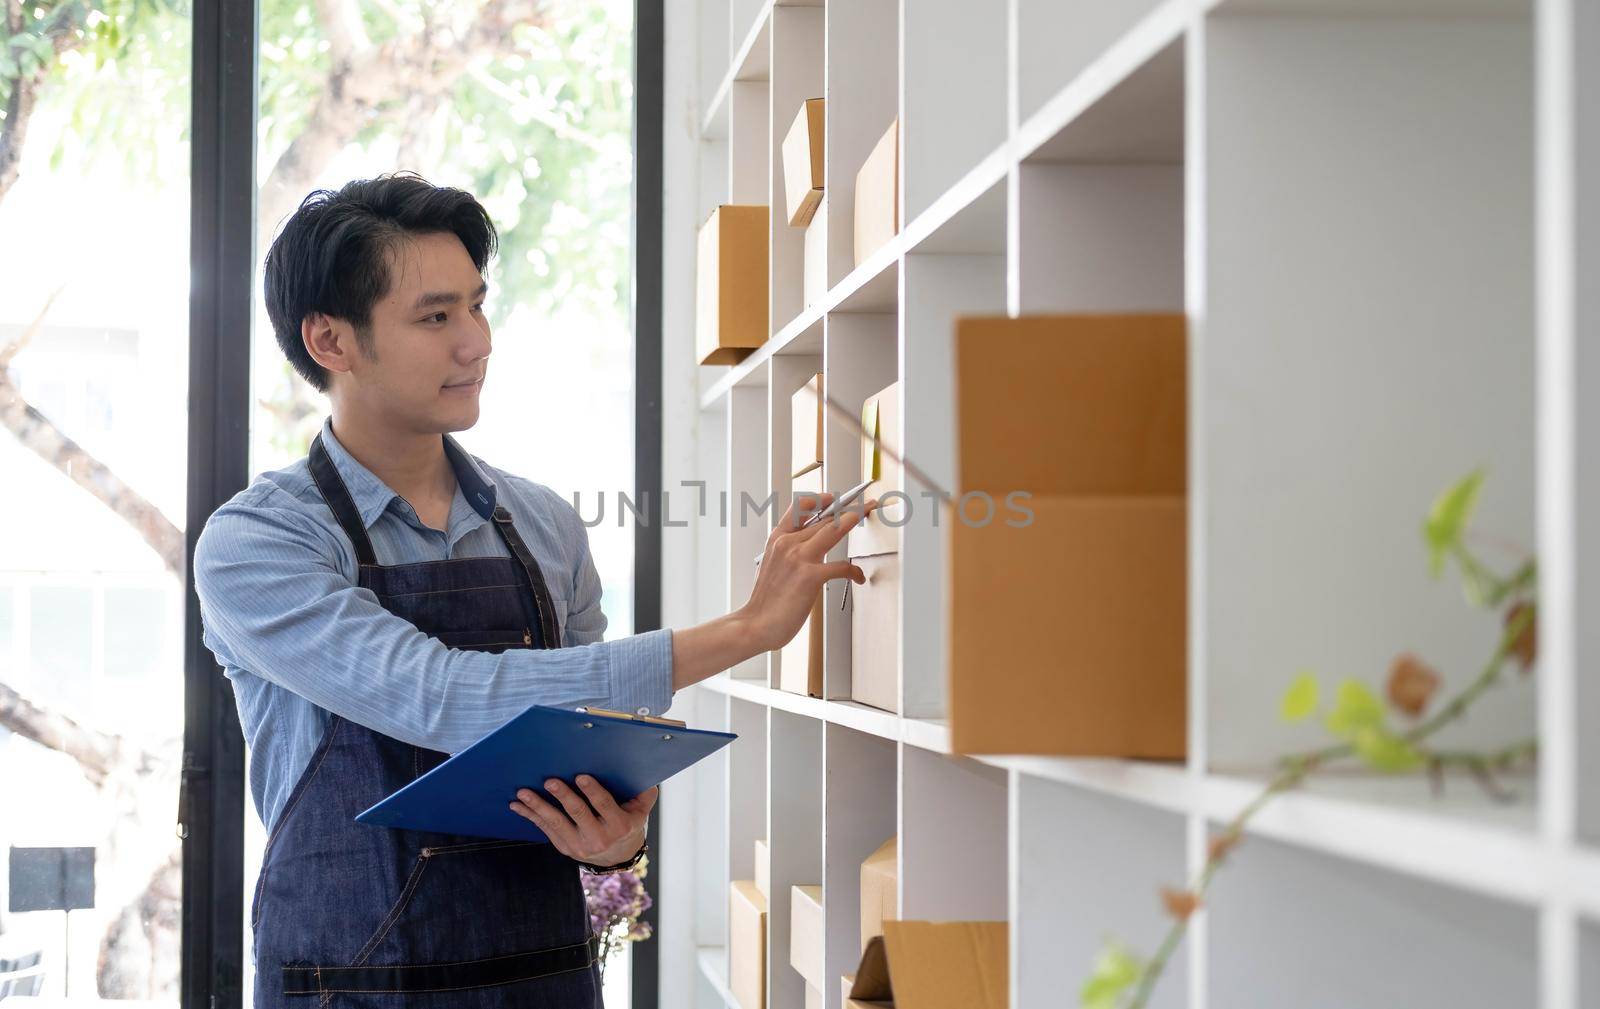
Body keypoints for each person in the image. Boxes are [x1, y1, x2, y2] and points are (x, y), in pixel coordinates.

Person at [193, 173, 864, 1007]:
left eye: (476, 306)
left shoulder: (543, 522)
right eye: (436, 317)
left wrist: (615, 839)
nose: (475, 342)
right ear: (331, 341)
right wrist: (749, 629)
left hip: (544, 976)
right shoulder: (258, 542)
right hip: (345, 986)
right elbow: (441, 696)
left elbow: (586, 744)